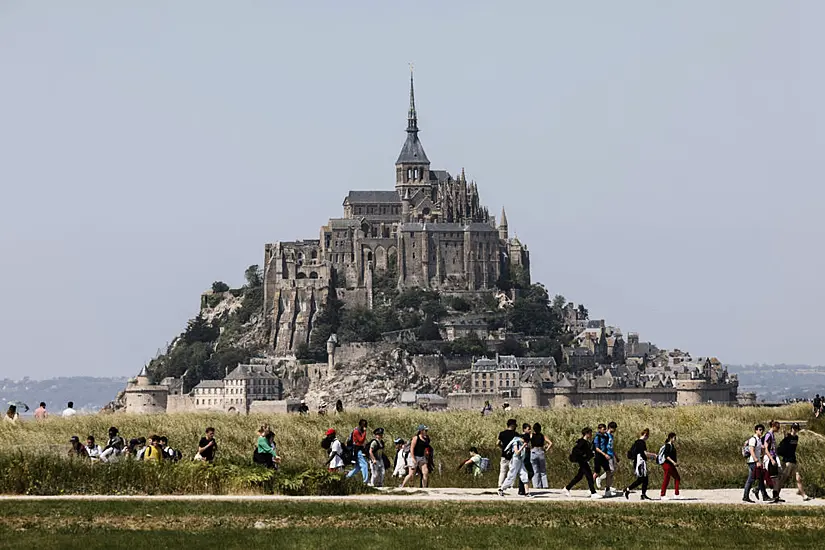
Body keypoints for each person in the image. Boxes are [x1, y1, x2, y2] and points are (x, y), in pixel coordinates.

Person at [776, 422, 811, 501]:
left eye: (796, 428)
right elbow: (785, 439)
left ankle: (803, 494)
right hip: (787, 461)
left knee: (798, 478)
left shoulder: (796, 438)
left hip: (793, 460)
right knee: (783, 479)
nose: (795, 430)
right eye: (793, 428)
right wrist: (784, 432)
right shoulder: (788, 436)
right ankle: (776, 494)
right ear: (791, 428)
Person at [564, 427, 601, 499]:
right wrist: (583, 456)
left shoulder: (586, 442)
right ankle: (593, 492)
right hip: (582, 461)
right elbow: (576, 450)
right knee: (589, 476)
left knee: (579, 477)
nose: (591, 435)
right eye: (590, 433)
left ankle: (567, 488)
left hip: (584, 461)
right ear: (586, 434)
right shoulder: (582, 442)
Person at [623, 428, 656, 501]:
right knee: (641, 479)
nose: (648, 437)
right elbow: (645, 453)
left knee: (645, 479)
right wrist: (654, 456)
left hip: (638, 462)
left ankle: (643, 495)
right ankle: (628, 489)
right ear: (645, 435)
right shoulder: (641, 442)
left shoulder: (636, 442)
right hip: (640, 463)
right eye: (648, 436)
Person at [498, 433, 533, 497]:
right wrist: (523, 446)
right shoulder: (515, 442)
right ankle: (501, 489)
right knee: (511, 476)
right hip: (515, 460)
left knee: (524, 474)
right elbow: (516, 453)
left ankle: (527, 493)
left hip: (520, 460)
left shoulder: (522, 442)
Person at [743, 424, 769, 503]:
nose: (761, 431)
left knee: (760, 479)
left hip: (756, 461)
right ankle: (746, 496)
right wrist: (757, 461)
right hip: (753, 462)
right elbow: (751, 450)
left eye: (762, 430)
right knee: (751, 479)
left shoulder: (759, 440)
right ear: (756, 430)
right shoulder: (753, 439)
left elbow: (759, 451)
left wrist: (762, 451)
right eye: (760, 430)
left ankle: (764, 496)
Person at [497, 419, 518, 488]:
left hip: (504, 455)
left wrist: (502, 448)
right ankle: (510, 485)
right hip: (513, 455)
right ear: (513, 425)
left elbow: (497, 443)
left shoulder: (502, 433)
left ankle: (500, 485)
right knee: (512, 471)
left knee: (502, 471)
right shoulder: (516, 434)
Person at [530, 422, 553, 489]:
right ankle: (545, 485)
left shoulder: (531, 435)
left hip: (533, 451)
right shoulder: (542, 436)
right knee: (543, 470)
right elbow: (550, 443)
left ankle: (536, 485)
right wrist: (546, 449)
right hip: (541, 451)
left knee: (535, 470)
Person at [660, 432, 681, 500]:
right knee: (666, 479)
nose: (675, 439)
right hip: (667, 465)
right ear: (670, 438)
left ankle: (676, 494)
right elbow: (666, 456)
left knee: (677, 478)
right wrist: (673, 462)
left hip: (671, 465)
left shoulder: (672, 445)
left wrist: (674, 463)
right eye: (674, 438)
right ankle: (662, 495)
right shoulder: (668, 445)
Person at [763, 421, 781, 500]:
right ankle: (758, 488)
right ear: (773, 426)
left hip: (774, 456)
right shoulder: (768, 435)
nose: (778, 429)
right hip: (770, 458)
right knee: (771, 477)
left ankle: (775, 495)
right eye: (777, 428)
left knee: (775, 477)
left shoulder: (772, 435)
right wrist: (772, 459)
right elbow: (766, 449)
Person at [592, 423, 610, 492]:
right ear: (599, 429)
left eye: (605, 429)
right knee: (596, 472)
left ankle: (607, 487)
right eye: (603, 429)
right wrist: (604, 454)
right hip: (598, 456)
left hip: (604, 455)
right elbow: (597, 448)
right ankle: (591, 485)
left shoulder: (605, 436)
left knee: (608, 471)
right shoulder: (597, 437)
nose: (605, 430)